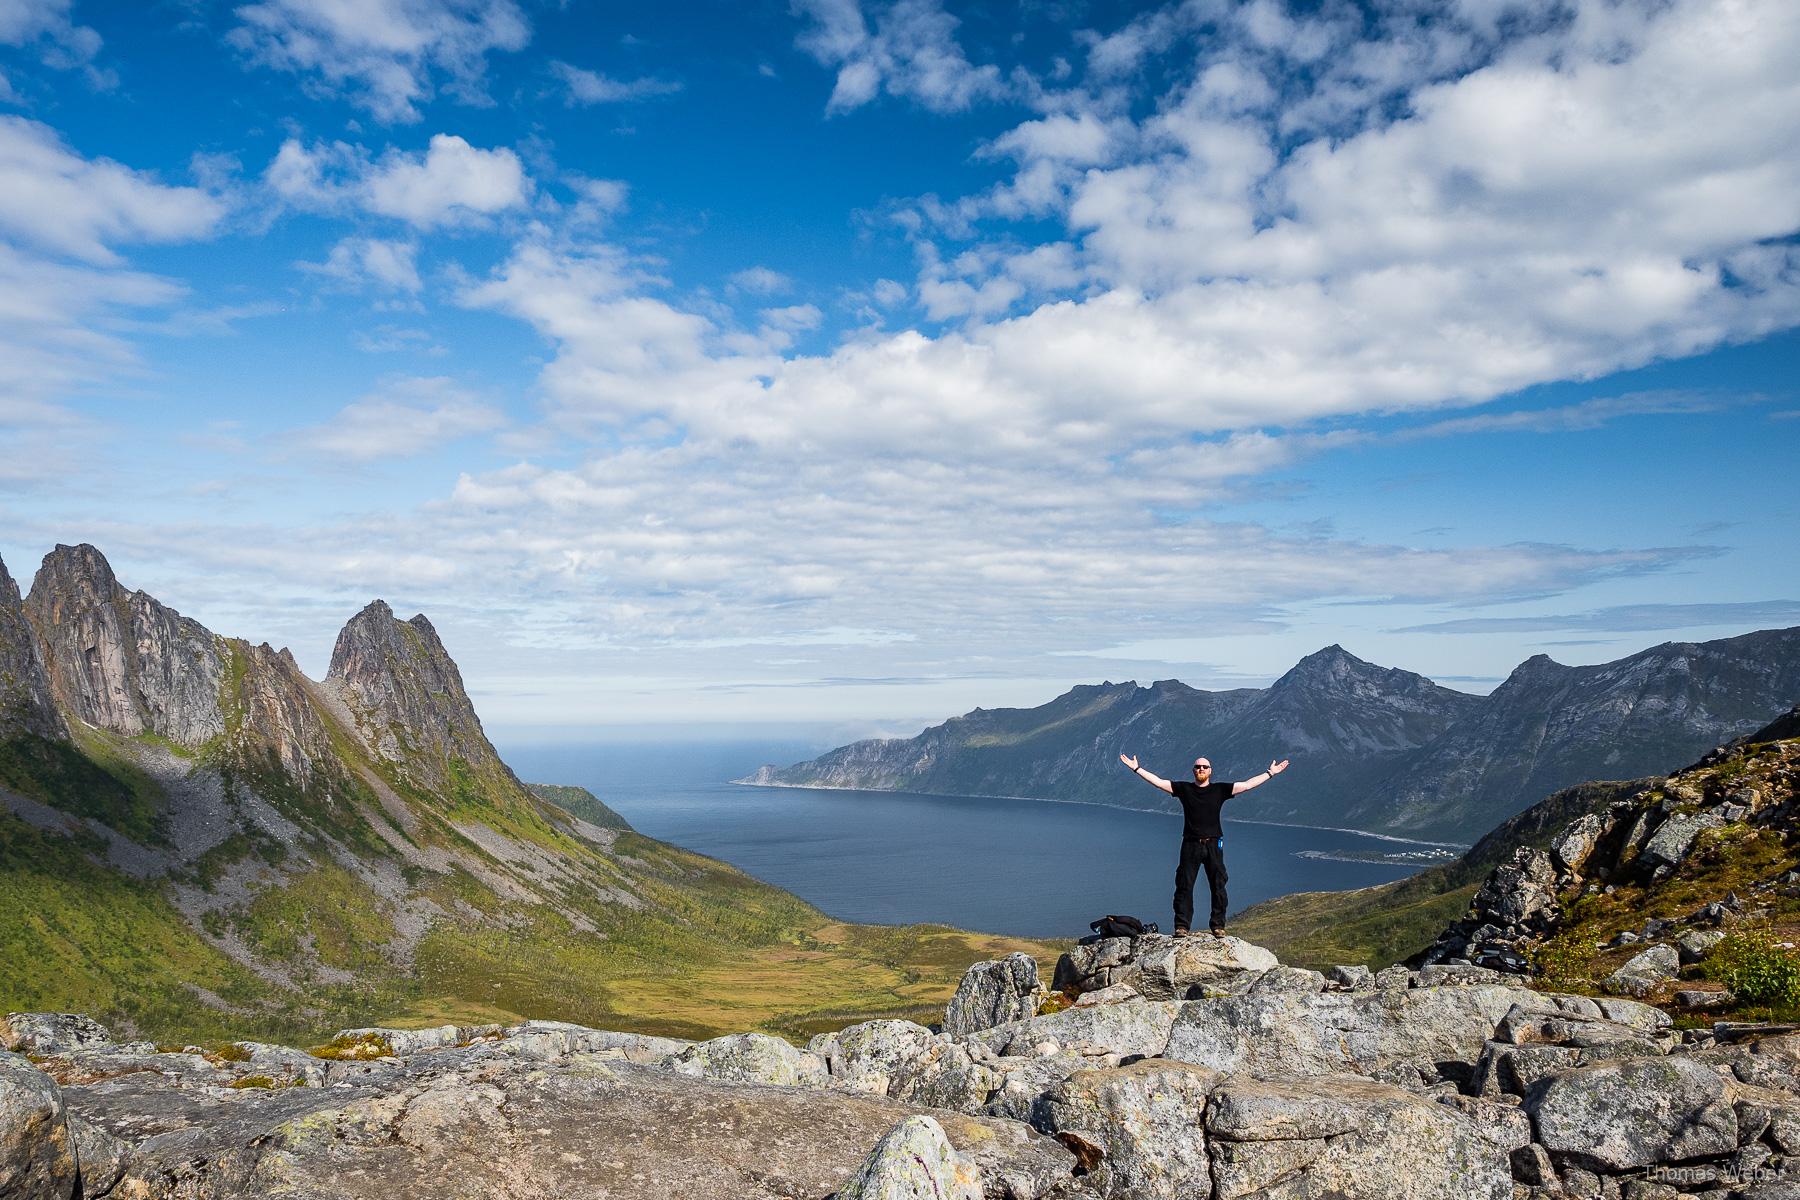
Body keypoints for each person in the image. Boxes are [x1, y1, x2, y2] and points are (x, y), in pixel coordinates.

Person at [1118, 751, 1290, 937]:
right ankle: (1182, 926)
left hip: (1214, 844)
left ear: (1210, 771)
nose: (1201, 769)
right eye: (1198, 766)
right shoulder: (1184, 789)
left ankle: (1218, 926)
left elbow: (1247, 785)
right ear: (1193, 770)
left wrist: (1270, 773)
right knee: (1184, 885)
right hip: (1190, 844)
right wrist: (1136, 768)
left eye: (1204, 767)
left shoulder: (1220, 790)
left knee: (1218, 885)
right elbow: (1158, 782)